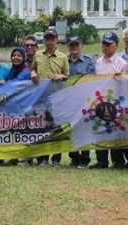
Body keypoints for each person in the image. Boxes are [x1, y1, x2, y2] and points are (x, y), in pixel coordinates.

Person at [30, 28, 69, 167]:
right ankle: (42, 158)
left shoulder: (63, 57)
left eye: (52, 39)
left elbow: (67, 76)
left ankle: (56, 158)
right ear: (44, 41)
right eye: (47, 39)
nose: (49, 41)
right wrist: (33, 73)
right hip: (41, 98)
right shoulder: (38, 54)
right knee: (41, 128)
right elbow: (32, 68)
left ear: (57, 40)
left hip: (57, 97)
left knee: (56, 127)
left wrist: (62, 76)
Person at [92, 32, 128, 169]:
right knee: (100, 131)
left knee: (114, 132)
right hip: (100, 101)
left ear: (116, 45)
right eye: (104, 43)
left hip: (116, 101)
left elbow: (127, 85)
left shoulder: (122, 63)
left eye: (109, 44)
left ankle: (117, 161)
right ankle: (101, 161)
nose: (106, 46)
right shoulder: (98, 62)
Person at [66, 36, 95, 168]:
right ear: (68, 47)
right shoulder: (63, 61)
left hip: (84, 101)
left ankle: (85, 158)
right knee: (71, 129)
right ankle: (74, 157)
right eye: (72, 45)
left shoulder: (88, 62)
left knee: (84, 129)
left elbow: (91, 79)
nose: (74, 47)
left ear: (81, 46)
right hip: (68, 101)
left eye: (77, 45)